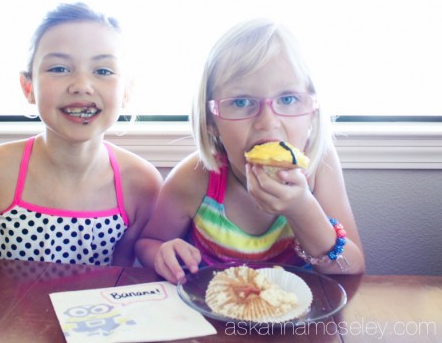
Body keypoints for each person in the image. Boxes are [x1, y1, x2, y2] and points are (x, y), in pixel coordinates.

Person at [0, 3, 163, 267]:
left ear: (126, 91)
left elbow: (122, 279)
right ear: (28, 87)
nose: (81, 86)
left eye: (103, 71)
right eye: (59, 68)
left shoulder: (143, 184)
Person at [135, 19, 365, 283]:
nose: (267, 122)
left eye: (288, 99)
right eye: (242, 101)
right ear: (211, 121)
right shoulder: (196, 177)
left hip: (298, 320)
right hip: (214, 315)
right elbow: (149, 242)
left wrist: (302, 209)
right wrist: (162, 254)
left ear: (313, 110)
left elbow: (353, 268)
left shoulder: (318, 165)